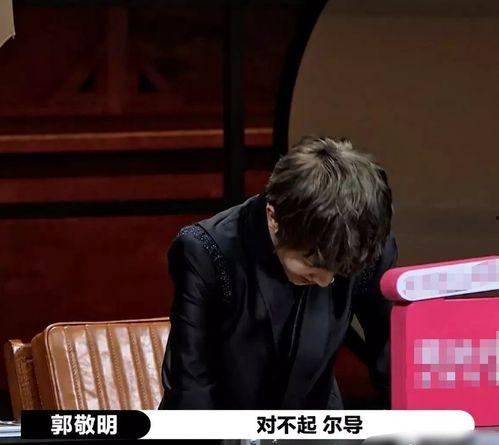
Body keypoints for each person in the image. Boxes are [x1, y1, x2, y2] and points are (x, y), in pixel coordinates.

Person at [158, 136, 397, 410]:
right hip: (222, 423)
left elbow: (392, 356)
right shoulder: (207, 252)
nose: (326, 281)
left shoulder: (363, 245)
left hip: (314, 424)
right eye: (312, 266)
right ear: (274, 217)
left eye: (338, 272)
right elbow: (191, 388)